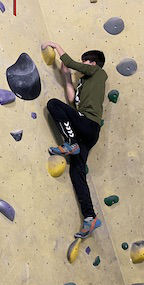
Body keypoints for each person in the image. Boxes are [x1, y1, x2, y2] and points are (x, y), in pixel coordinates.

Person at [42, 42, 107, 239]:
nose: (82, 65)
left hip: (88, 125)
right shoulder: (84, 84)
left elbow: (69, 61)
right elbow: (71, 97)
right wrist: (66, 77)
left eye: (85, 61)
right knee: (77, 173)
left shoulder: (99, 74)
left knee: (53, 104)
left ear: (92, 63)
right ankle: (90, 217)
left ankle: (71, 144)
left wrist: (56, 46)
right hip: (83, 130)